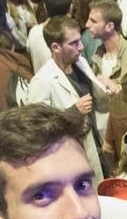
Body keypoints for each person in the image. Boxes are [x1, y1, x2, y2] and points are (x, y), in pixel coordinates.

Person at [26, 16, 107, 178]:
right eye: (74, 43)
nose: (81, 46)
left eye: (79, 40)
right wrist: (73, 112)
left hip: (97, 146)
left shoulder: (80, 63)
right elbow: (36, 128)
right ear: (56, 47)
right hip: (72, 157)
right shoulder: (42, 81)